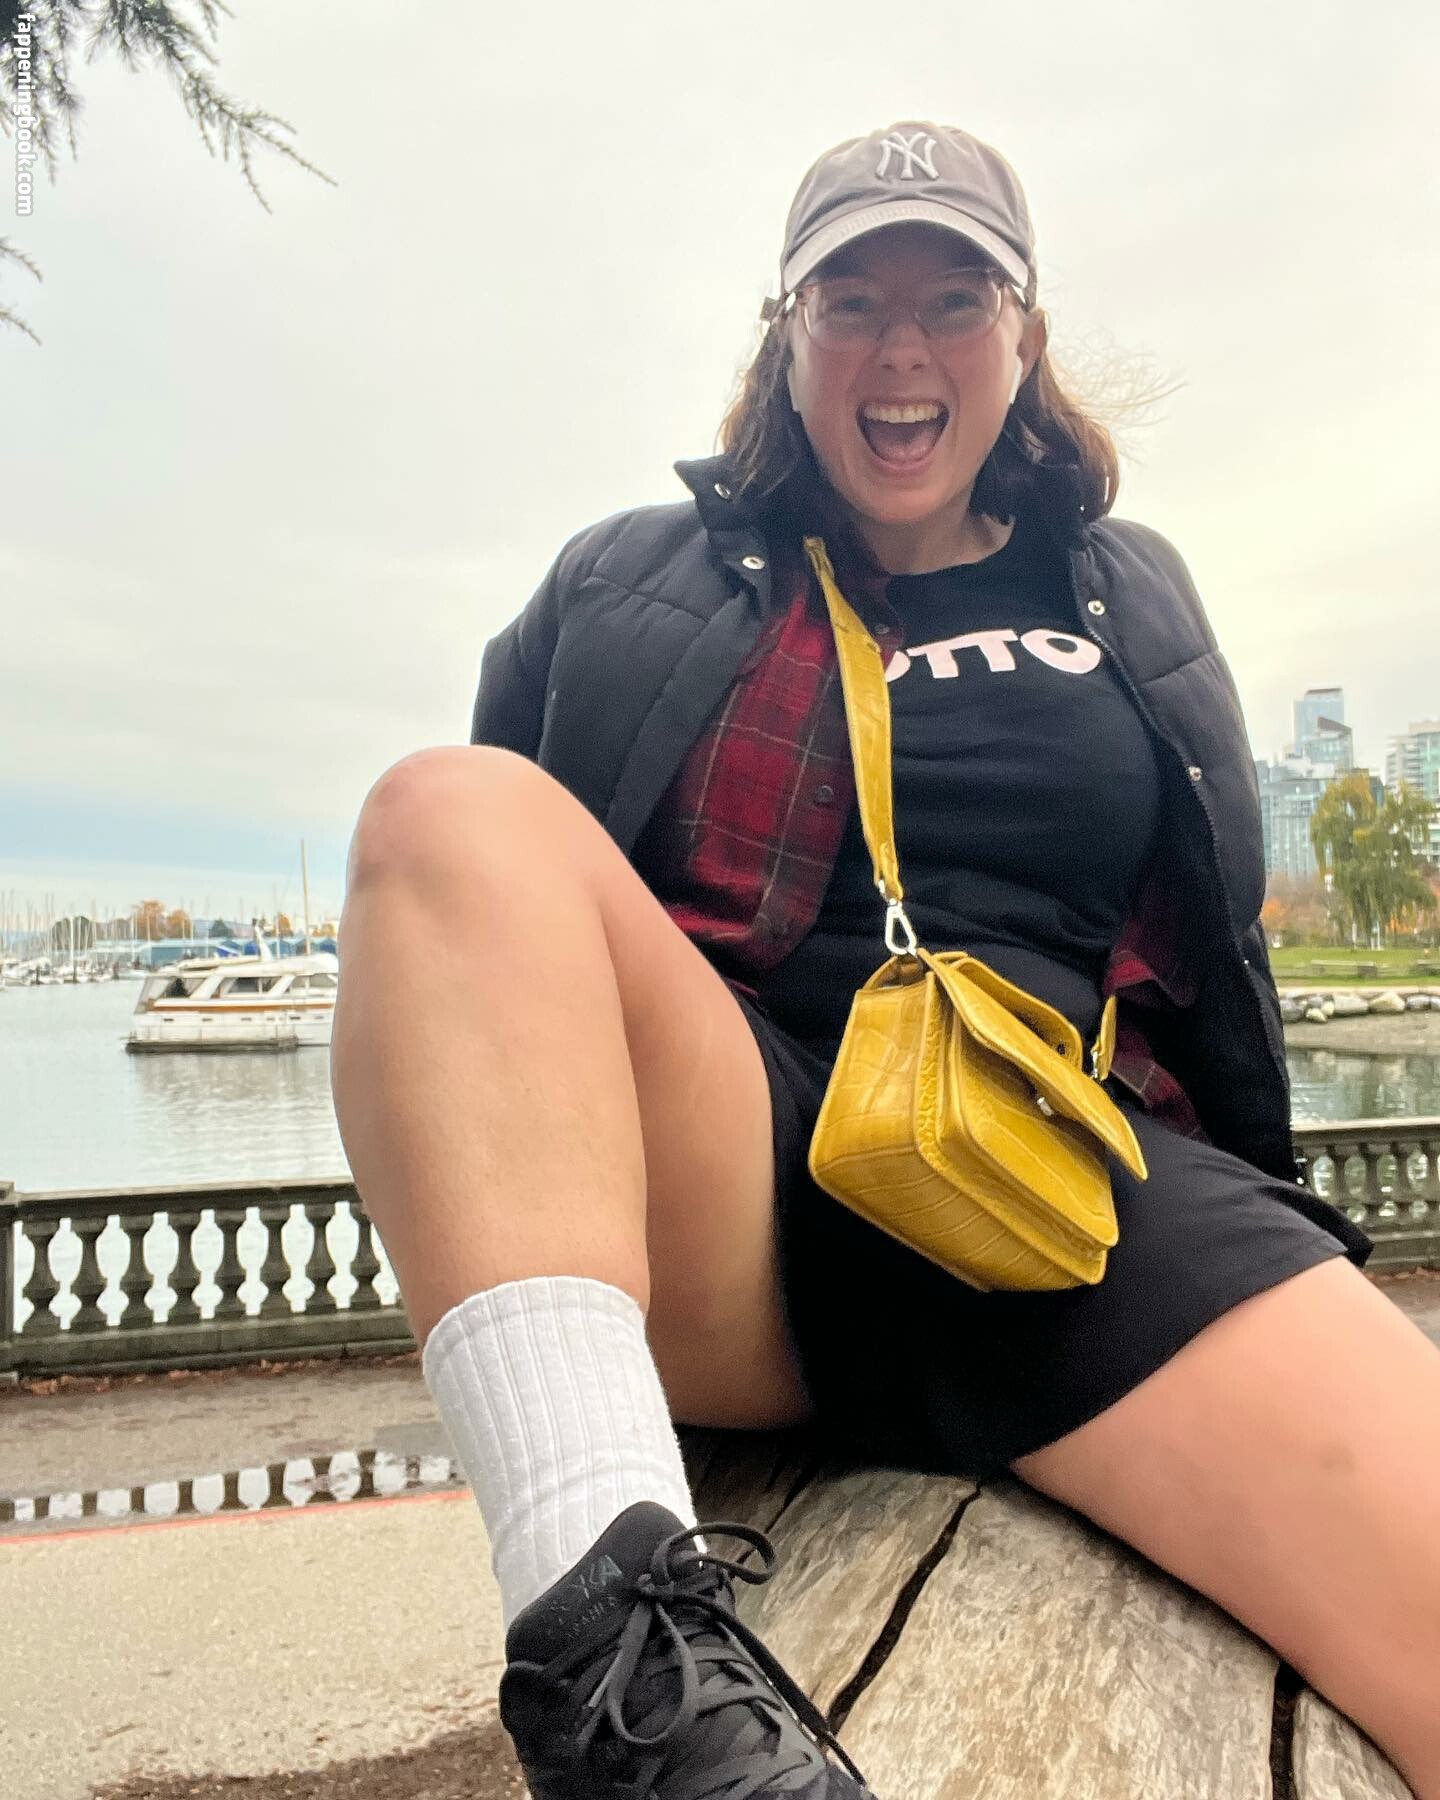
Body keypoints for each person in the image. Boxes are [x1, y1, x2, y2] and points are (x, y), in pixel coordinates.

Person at [331, 121, 1440, 1799]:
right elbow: (484, 956)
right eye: (849, 302)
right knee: (447, 812)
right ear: (785, 338)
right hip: (748, 1171)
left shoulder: (1126, 589)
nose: (901, 347)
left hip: (1062, 1179)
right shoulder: (630, 578)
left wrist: (1271, 1230)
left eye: (953, 299)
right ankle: (619, 1678)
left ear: (1025, 335)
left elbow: (1213, 949)